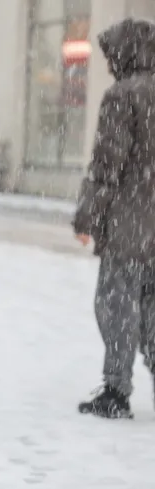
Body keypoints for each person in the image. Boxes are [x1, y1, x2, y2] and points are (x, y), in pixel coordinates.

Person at [73, 18, 155, 419]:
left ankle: (117, 393)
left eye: (111, 55)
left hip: (131, 225)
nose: (108, 63)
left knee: (117, 306)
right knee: (153, 311)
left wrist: (87, 216)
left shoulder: (123, 96)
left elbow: (107, 165)